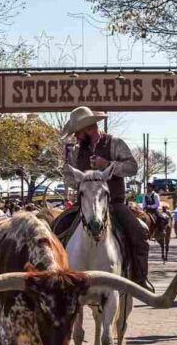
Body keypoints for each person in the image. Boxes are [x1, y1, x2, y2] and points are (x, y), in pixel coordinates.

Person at [62, 106, 152, 290]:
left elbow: (133, 168)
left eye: (78, 133)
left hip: (114, 205)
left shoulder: (115, 143)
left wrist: (108, 164)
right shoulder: (76, 152)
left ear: (89, 129)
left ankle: (139, 280)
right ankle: (57, 279)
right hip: (84, 205)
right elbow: (70, 179)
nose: (76, 137)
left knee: (139, 235)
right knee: (54, 231)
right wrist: (85, 178)